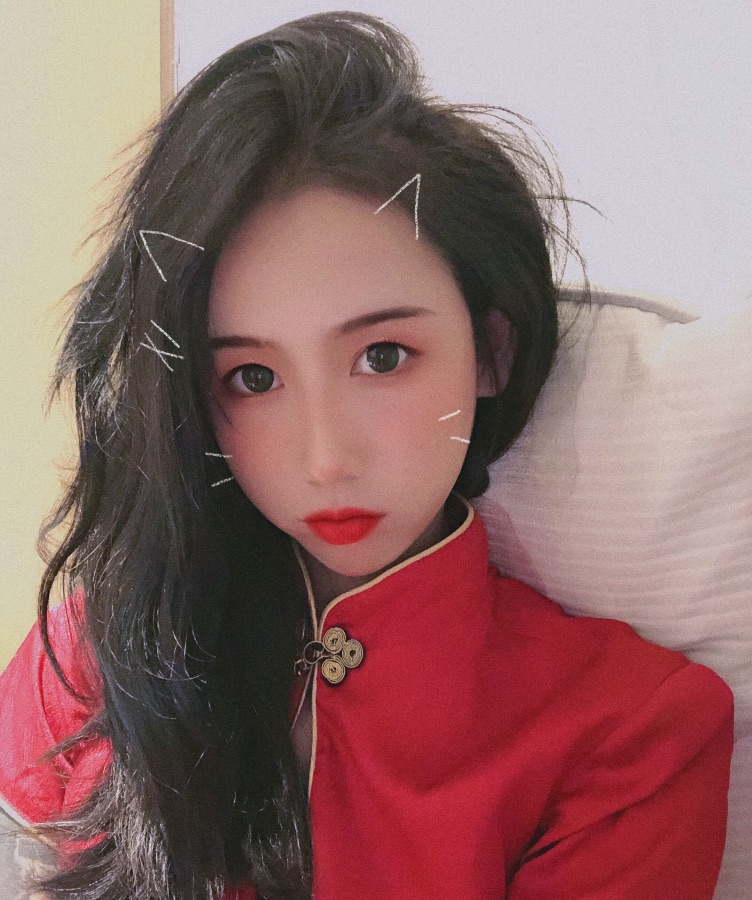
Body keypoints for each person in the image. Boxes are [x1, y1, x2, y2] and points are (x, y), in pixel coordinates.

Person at [0, 10, 734, 900]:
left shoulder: (631, 734)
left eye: (384, 357)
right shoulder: (91, 656)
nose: (326, 460)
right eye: (252, 378)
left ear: (490, 351)